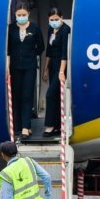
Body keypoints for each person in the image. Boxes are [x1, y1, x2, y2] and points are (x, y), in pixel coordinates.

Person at [7, 3, 44, 140]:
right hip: (15, 67)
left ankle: (25, 127)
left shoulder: (34, 28)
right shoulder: (11, 28)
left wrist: (30, 54)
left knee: (27, 96)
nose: (21, 17)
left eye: (23, 15)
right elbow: (8, 49)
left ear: (28, 14)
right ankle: (17, 126)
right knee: (16, 96)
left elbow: (41, 46)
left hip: (29, 66)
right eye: (19, 15)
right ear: (15, 15)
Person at [42, 8, 70, 137]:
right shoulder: (50, 29)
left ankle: (50, 126)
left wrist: (61, 71)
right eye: (51, 20)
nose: (54, 22)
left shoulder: (65, 30)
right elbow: (49, 51)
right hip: (52, 65)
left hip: (61, 66)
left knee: (49, 95)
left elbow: (65, 53)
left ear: (61, 18)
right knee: (56, 97)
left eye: (56, 19)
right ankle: (58, 126)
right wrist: (45, 68)